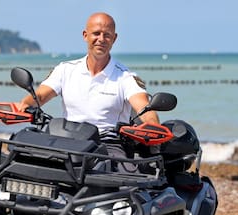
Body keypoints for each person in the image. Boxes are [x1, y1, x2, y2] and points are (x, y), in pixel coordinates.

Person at [18, 12, 159, 161]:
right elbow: (40, 96)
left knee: (120, 178)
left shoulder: (126, 77)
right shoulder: (65, 69)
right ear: (85, 35)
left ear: (114, 39)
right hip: (67, 139)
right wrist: (25, 104)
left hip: (108, 145)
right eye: (96, 34)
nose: (101, 39)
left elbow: (143, 106)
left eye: (107, 35)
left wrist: (152, 124)